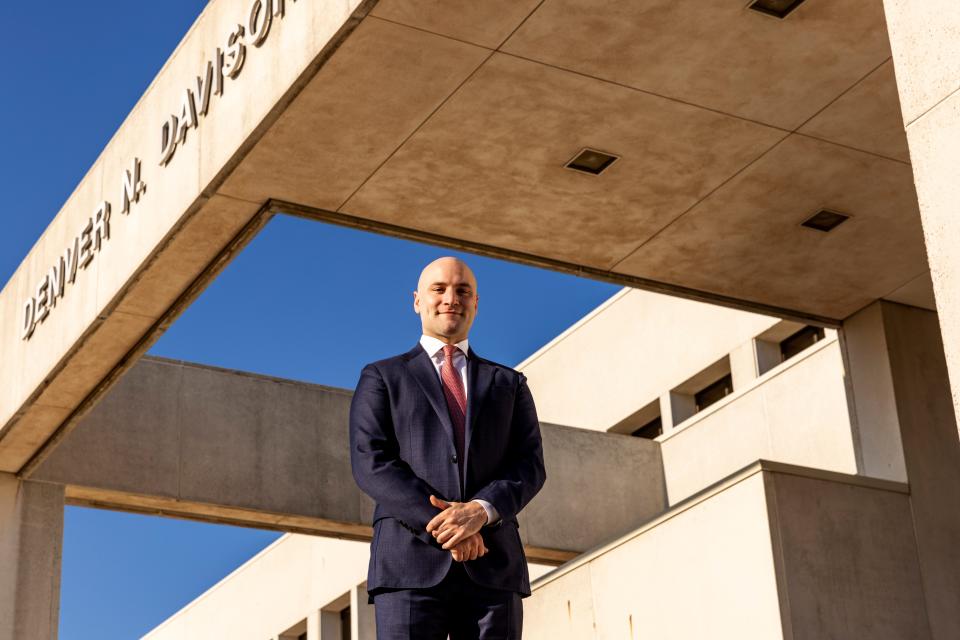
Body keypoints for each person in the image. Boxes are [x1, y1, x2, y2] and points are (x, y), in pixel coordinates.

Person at [349, 256, 547, 639]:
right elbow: (371, 461)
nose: (450, 298)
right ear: (417, 301)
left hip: (493, 568)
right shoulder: (382, 377)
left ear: (476, 303)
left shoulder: (510, 383)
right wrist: (449, 527)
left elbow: (530, 465)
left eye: (463, 290)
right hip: (408, 567)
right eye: (438, 289)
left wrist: (480, 512)